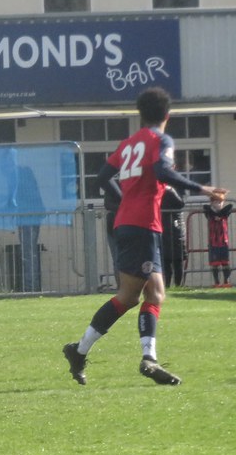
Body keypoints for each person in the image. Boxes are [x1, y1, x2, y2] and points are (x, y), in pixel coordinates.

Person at [63, 87, 228, 387]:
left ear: (141, 114)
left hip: (132, 224)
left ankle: (135, 357)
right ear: (167, 114)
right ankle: (89, 350)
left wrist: (122, 202)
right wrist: (203, 189)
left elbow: (102, 178)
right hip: (141, 226)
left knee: (154, 293)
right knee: (130, 296)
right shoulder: (160, 140)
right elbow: (163, 172)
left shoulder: (128, 144)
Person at [4, 149, 45, 292]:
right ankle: (31, 286)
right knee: (28, 252)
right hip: (28, 216)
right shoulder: (23, 172)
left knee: (29, 252)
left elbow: (14, 197)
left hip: (30, 216)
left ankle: (31, 288)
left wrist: (8, 206)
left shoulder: (19, 174)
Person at [160, 186, 187, 288]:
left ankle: (178, 285)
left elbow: (181, 203)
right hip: (162, 224)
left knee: (178, 258)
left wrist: (171, 190)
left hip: (176, 224)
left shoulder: (177, 185)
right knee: (165, 259)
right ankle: (166, 285)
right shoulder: (159, 182)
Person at [202, 197, 233, 287]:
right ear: (212, 203)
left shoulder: (224, 214)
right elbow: (205, 207)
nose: (218, 204)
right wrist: (214, 214)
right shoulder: (209, 214)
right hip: (213, 242)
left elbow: (230, 206)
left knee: (225, 263)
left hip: (224, 242)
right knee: (214, 263)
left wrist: (219, 214)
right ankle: (216, 282)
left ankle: (226, 282)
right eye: (216, 202)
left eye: (220, 202)